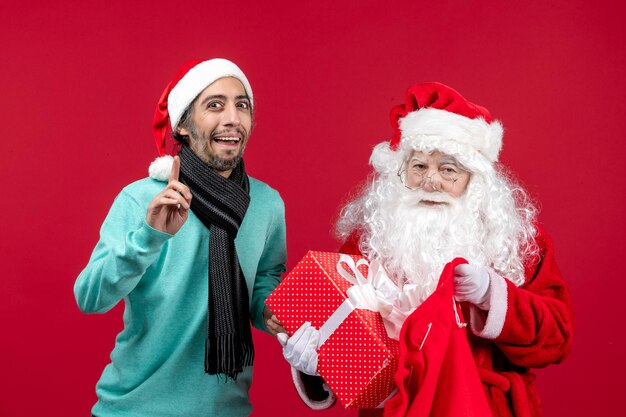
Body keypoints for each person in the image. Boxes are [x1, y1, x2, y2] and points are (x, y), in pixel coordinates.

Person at [273, 82, 573, 416]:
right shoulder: (371, 239)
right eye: (419, 166)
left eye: (448, 169)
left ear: (475, 180)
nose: (430, 181)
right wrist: (315, 369)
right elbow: (343, 342)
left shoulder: (517, 242)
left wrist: (494, 295)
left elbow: (556, 340)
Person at [74, 58, 287, 417]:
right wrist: (149, 235)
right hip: (135, 408)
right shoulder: (142, 199)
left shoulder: (266, 203)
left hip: (228, 408)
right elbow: (89, 297)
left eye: (242, 105)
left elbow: (265, 279)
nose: (233, 118)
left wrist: (269, 310)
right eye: (215, 105)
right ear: (184, 126)